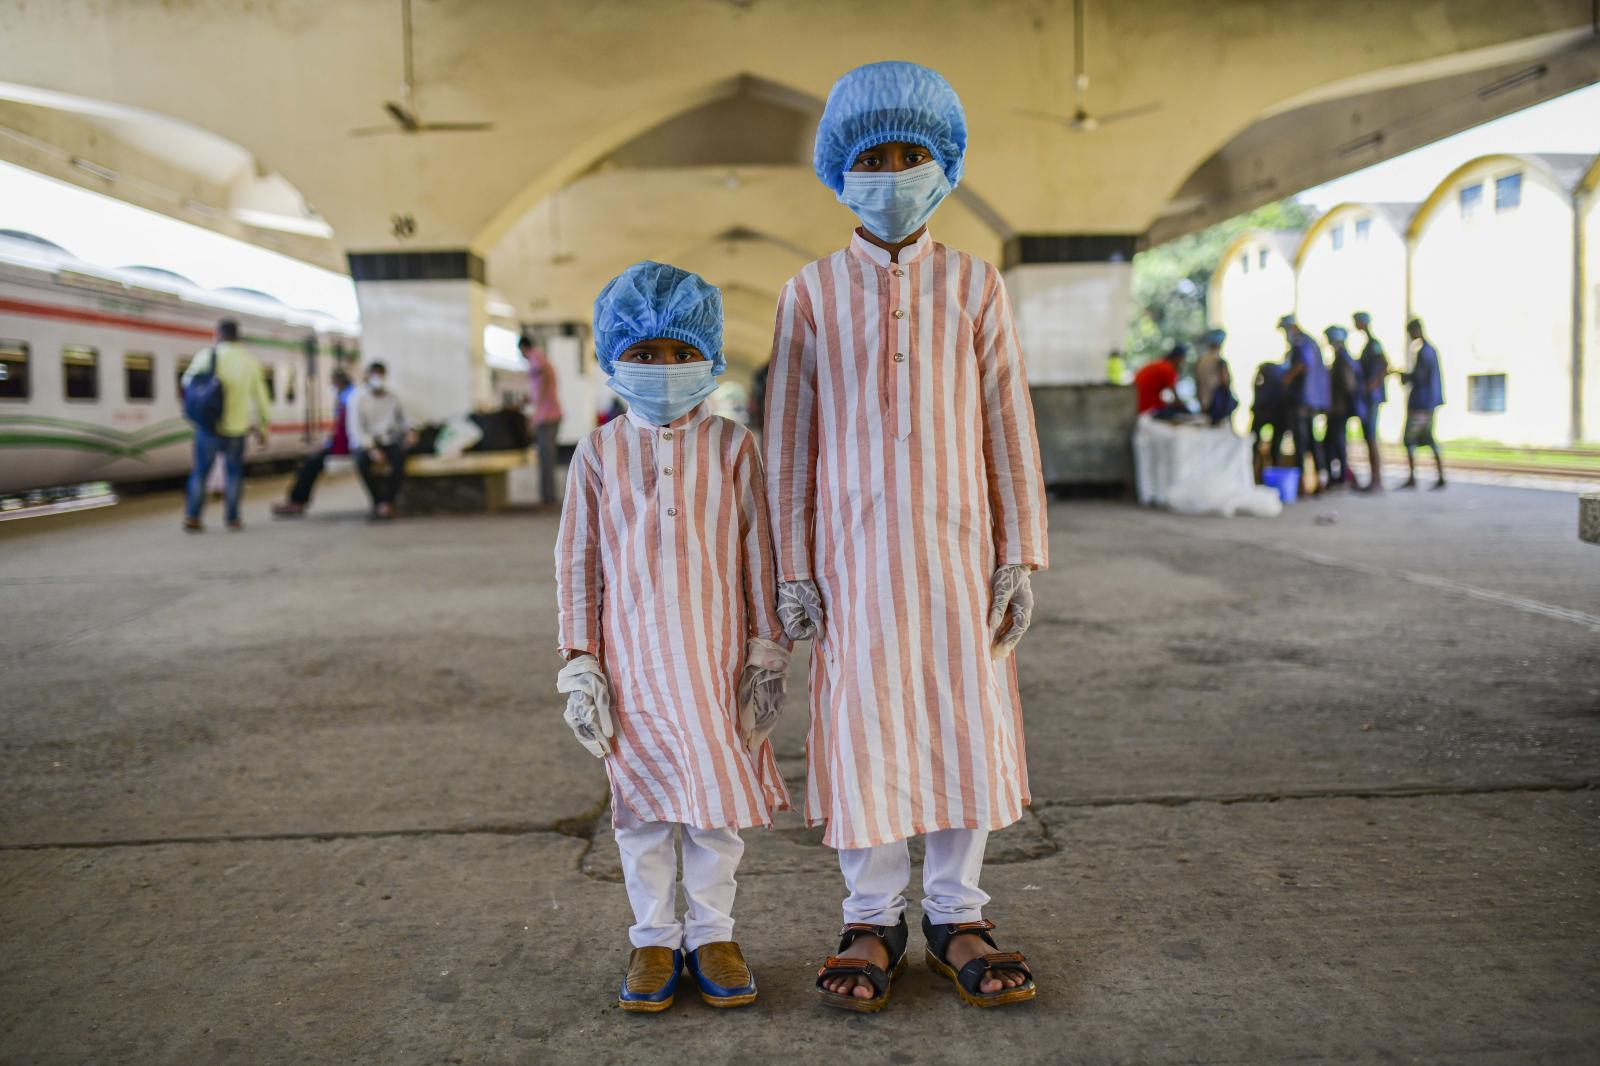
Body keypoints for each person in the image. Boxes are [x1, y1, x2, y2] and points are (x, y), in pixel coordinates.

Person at [766, 61, 1045, 1012]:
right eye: (871, 158)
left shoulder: (975, 286)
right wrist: (793, 567)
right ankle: (872, 914)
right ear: (840, 170)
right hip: (850, 564)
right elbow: (789, 442)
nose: (890, 174)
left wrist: (1018, 554)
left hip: (958, 555)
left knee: (965, 718)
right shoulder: (807, 293)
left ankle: (960, 910)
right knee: (864, 728)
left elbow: (1008, 425)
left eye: (909, 155)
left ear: (943, 165)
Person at [554, 261, 791, 1014]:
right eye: (645, 353)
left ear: (709, 356)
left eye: (679, 352)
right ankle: (655, 937)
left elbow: (761, 556)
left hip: (718, 665)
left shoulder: (734, 448)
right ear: (614, 356)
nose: (662, 368)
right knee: (645, 814)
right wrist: (581, 662)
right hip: (633, 669)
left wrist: (765, 654)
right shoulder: (597, 454)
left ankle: (714, 933)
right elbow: (578, 563)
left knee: (714, 813)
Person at [181, 319, 270, 533]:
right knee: (234, 473)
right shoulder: (250, 361)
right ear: (238, 336)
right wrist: (263, 427)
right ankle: (232, 518)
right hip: (237, 427)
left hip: (209, 426)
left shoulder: (207, 356)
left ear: (218, 334)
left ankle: (193, 516)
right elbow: (261, 398)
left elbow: (187, 382)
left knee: (201, 473)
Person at [271, 369, 353, 517]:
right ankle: (296, 500)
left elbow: (346, 429)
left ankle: (296, 502)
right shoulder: (347, 396)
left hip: (349, 446)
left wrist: (327, 445)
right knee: (311, 461)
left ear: (339, 383)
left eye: (333, 384)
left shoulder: (348, 398)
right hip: (346, 444)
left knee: (310, 464)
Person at [347, 362, 413, 520]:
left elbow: (405, 419)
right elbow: (356, 430)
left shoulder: (393, 397)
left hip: (388, 440)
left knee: (399, 459)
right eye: (374, 375)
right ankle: (378, 502)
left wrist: (410, 431)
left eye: (380, 375)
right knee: (362, 463)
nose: (378, 379)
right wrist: (371, 449)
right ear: (368, 377)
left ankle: (387, 503)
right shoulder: (358, 399)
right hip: (367, 443)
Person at [1276, 314, 1330, 494]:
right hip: (1313, 399)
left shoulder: (1300, 342)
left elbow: (1303, 365)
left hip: (1302, 399)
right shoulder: (1312, 342)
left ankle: (1300, 486)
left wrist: (1286, 378)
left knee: (1301, 441)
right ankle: (1321, 480)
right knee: (1313, 441)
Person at [1398, 317, 1446, 490]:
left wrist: (1404, 376)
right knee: (1429, 439)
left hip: (1421, 404)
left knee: (1409, 440)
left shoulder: (1424, 352)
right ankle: (1440, 476)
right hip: (1428, 403)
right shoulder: (1430, 350)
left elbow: (1419, 378)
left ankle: (1412, 478)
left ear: (1416, 330)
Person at [1322, 326, 1366, 489]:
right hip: (1338, 408)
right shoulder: (1341, 358)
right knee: (1334, 443)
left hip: (1338, 409)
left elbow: (1348, 386)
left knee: (1335, 444)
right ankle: (1339, 477)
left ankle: (1340, 478)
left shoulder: (1342, 359)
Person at [523, 334, 563, 506]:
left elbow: (541, 389)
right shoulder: (542, 360)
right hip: (552, 414)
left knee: (545, 460)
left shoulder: (536, 361)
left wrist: (534, 415)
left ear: (523, 348)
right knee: (548, 459)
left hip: (546, 417)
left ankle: (548, 499)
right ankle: (548, 497)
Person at [1353, 311, 1389, 491]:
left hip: (1372, 398)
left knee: (1371, 437)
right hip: (1369, 396)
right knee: (1369, 437)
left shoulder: (1374, 345)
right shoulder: (1368, 345)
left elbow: (1385, 365)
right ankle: (1375, 480)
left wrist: (1371, 385)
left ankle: (1377, 481)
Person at [1134, 343, 1189, 417]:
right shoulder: (1168, 369)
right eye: (1183, 359)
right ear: (1177, 358)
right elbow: (1175, 398)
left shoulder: (1161, 364)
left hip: (1136, 401)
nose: (1183, 363)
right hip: (1147, 406)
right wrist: (1186, 409)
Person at [1193, 328, 1227, 413]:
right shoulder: (1218, 360)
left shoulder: (1200, 360)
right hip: (1216, 403)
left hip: (1203, 402)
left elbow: (1197, 382)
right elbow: (1224, 380)